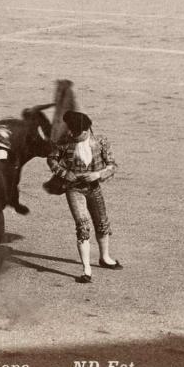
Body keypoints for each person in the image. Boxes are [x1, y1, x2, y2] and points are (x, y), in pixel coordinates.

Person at [47, 109, 121, 284]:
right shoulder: (64, 142)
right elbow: (51, 160)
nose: (71, 134)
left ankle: (105, 258)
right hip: (74, 189)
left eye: (75, 132)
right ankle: (86, 269)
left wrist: (98, 174)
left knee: (102, 223)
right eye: (71, 130)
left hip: (94, 187)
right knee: (82, 226)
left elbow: (112, 165)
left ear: (87, 130)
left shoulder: (100, 141)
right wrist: (65, 174)